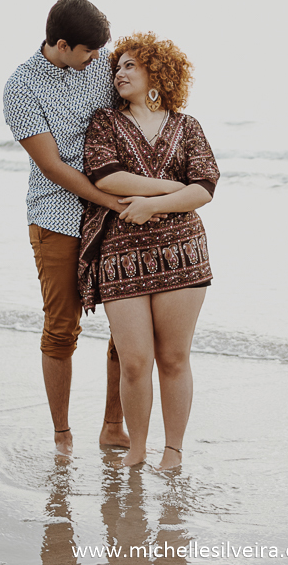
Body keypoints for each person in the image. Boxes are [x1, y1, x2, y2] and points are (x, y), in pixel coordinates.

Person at [2, 0, 151, 455]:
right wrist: (110, 200)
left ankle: (113, 426)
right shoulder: (21, 87)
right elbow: (52, 166)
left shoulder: (101, 64)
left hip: (115, 215)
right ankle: (62, 435)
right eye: (88, 51)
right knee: (62, 327)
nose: (98, 60)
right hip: (57, 215)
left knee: (126, 328)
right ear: (62, 45)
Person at [78, 32, 219, 470]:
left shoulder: (187, 126)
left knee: (173, 359)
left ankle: (172, 452)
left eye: (130, 66)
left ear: (157, 73)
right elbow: (105, 176)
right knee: (135, 362)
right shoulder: (105, 122)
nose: (119, 73)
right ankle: (137, 451)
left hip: (182, 255)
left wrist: (152, 206)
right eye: (117, 67)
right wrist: (171, 189)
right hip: (122, 256)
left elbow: (205, 187)